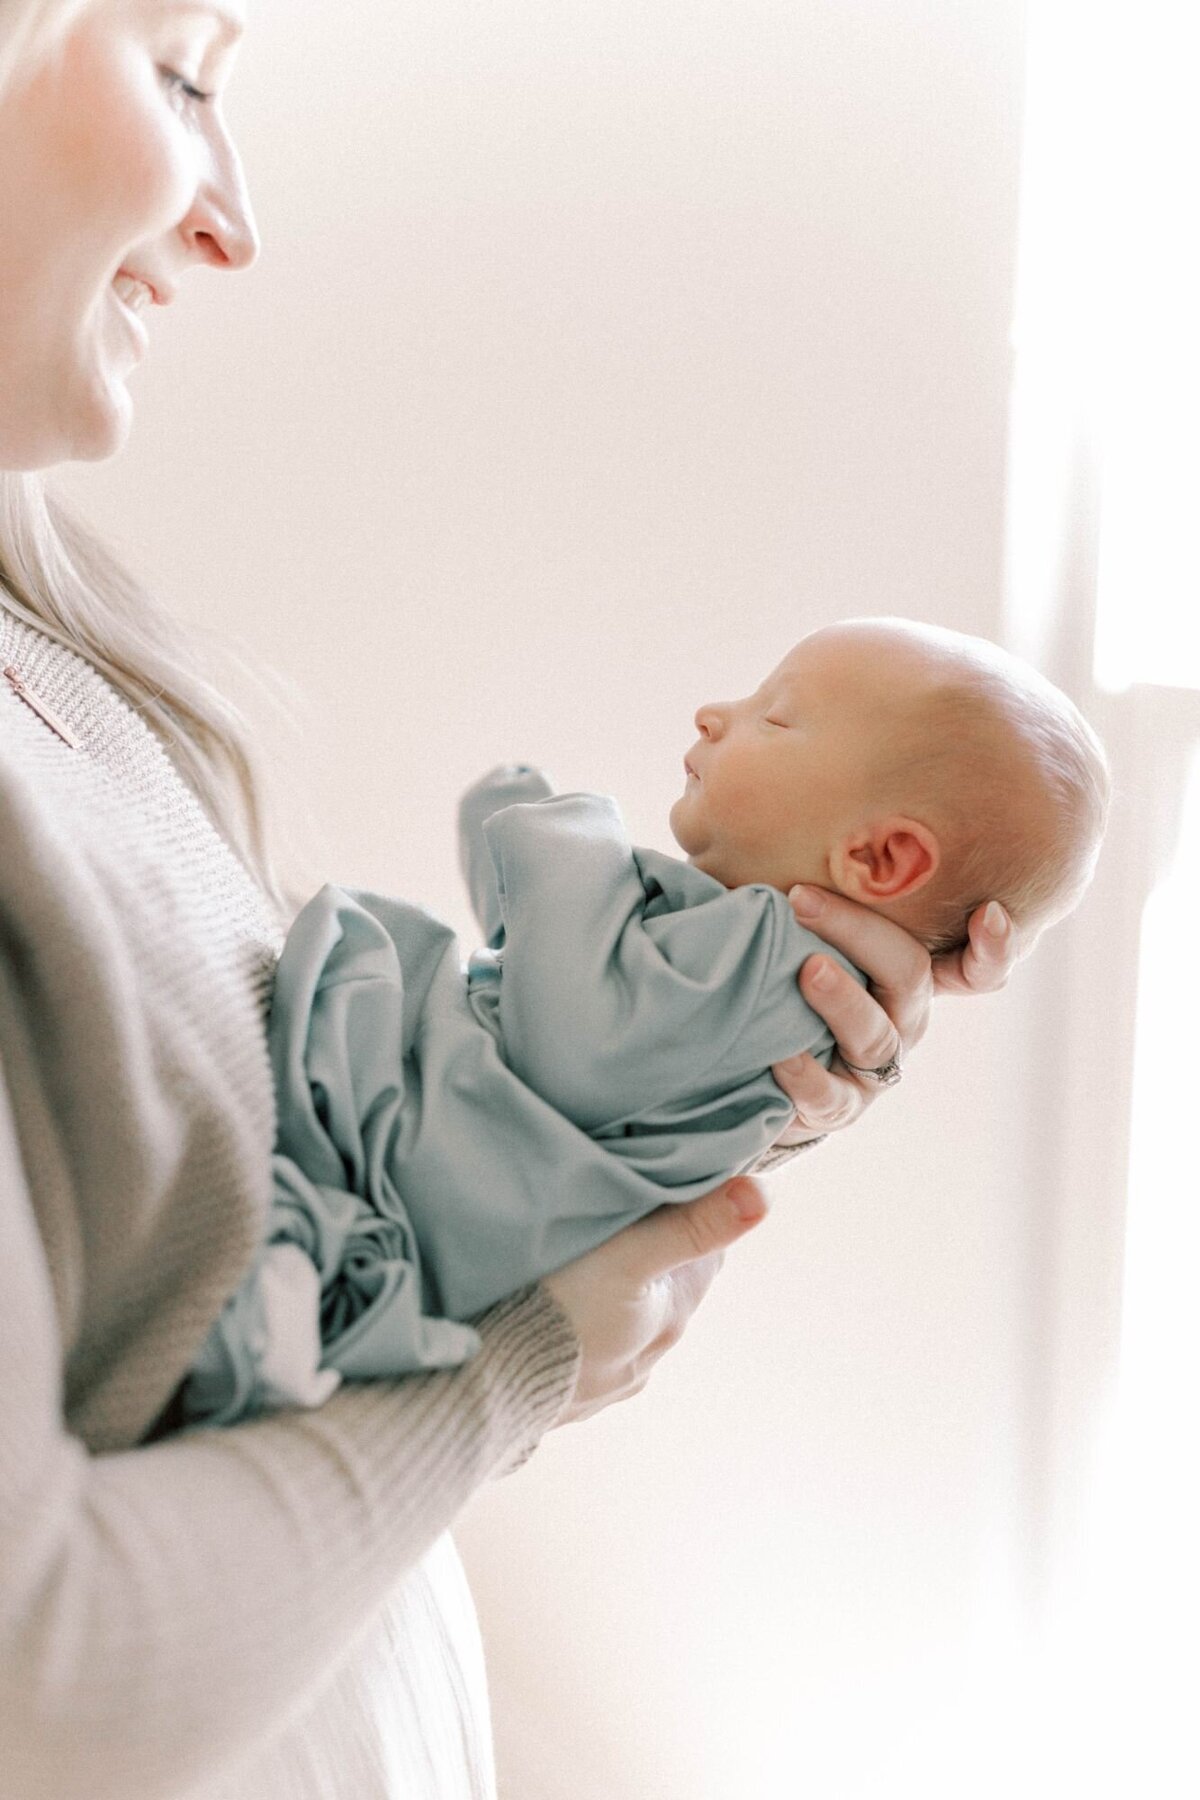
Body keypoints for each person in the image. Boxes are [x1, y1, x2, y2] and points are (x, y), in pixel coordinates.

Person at [0, 3, 1020, 1796]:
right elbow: (41, 1673)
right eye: (182, 73)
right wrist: (524, 1363)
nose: (235, 219)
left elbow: (270, 1289)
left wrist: (720, 1062)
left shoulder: (58, 626)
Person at [180, 618, 1105, 1423]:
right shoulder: (746, 948)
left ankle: (294, 1300)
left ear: (880, 856)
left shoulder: (782, 963)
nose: (715, 713)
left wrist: (561, 837)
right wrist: (514, 828)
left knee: (359, 1027)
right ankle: (293, 1295)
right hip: (472, 1162)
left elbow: (580, 1039)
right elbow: (550, 967)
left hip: (465, 1171)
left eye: (774, 716)